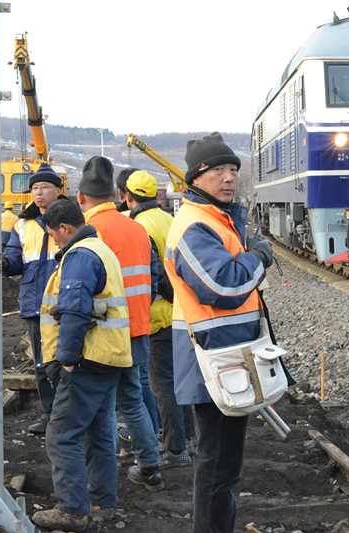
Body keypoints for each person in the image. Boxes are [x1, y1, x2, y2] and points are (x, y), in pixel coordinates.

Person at [165, 132, 274, 532]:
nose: (229, 178)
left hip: (227, 358)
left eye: (233, 170)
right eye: (218, 171)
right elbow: (222, 286)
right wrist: (258, 257)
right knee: (215, 468)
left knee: (224, 468)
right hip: (211, 361)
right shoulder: (194, 225)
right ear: (196, 178)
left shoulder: (217, 219)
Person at [31, 199, 131, 532]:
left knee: (60, 435)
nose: (54, 241)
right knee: (99, 432)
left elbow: (74, 310)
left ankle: (72, 510)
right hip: (109, 356)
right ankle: (103, 505)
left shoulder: (80, 256)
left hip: (88, 357)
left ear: (64, 228)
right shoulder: (99, 249)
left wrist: (67, 360)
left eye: (53, 234)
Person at [77, 156, 164, 491]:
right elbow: (153, 277)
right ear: (115, 193)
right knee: (133, 400)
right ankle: (150, 467)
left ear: (80, 198)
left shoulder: (91, 232)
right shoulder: (135, 226)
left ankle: (103, 470)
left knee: (100, 403)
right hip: (138, 328)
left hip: (103, 333)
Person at [124, 169, 192, 468]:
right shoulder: (169, 218)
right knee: (181, 383)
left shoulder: (138, 226)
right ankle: (187, 440)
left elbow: (156, 276)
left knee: (162, 388)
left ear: (128, 196)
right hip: (180, 314)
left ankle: (175, 450)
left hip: (156, 316)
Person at [2, 163, 66, 434]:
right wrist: (2, 263)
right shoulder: (23, 224)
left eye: (44, 187)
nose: (38, 193)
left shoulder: (70, 219)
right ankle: (49, 414)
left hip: (63, 303)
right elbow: (16, 261)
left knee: (66, 361)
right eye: (34, 188)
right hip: (33, 302)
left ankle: (68, 415)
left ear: (58, 190)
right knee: (41, 363)